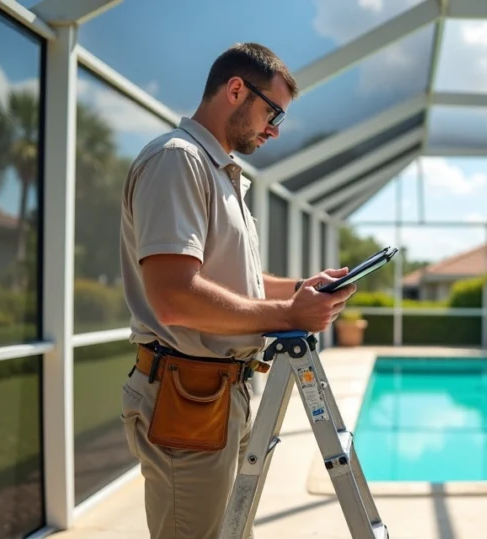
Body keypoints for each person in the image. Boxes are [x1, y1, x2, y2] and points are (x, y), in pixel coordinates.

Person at [117, 42, 356, 539]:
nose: (274, 129)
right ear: (235, 90)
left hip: (222, 393)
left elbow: (234, 283)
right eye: (274, 113)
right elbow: (174, 297)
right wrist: (289, 313)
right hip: (188, 398)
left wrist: (299, 289)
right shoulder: (177, 161)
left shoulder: (219, 173)